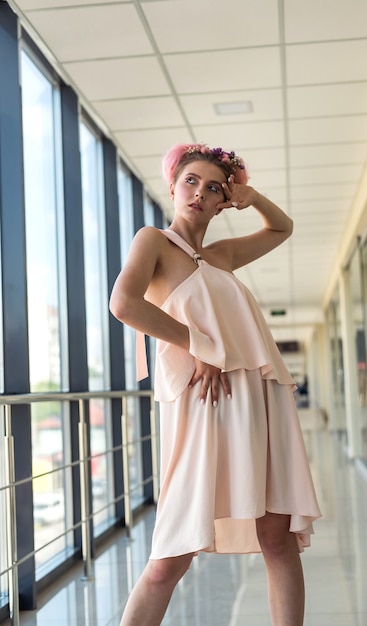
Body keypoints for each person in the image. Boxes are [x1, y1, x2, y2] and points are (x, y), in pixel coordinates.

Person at [109, 143, 321, 626]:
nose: (199, 194)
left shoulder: (221, 255)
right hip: (204, 405)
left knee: (278, 537)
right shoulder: (154, 241)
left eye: (212, 188)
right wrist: (201, 344)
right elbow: (123, 303)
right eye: (191, 182)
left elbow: (281, 227)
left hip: (256, 397)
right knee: (170, 556)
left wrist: (251, 196)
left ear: (223, 201)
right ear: (172, 186)